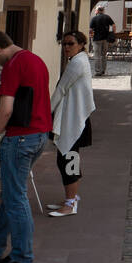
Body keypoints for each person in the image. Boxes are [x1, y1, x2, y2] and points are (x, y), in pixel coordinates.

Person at [0, 30, 52, 263]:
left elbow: (5, 110)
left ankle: (22, 254)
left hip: (20, 138)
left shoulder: (12, 66)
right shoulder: (35, 59)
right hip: (39, 134)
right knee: (11, 195)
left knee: (15, 198)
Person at [48, 30, 95, 216]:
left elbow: (60, 89)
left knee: (68, 160)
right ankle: (71, 197)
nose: (66, 47)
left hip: (74, 121)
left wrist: (46, 113)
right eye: (64, 44)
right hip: (74, 118)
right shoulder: (79, 60)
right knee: (68, 158)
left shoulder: (77, 63)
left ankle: (70, 203)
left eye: (71, 44)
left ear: (81, 45)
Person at [89, 3, 114, 77]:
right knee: (103, 55)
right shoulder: (107, 17)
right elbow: (113, 25)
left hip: (96, 39)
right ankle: (103, 70)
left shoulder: (94, 18)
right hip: (105, 39)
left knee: (97, 56)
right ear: (103, 11)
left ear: (97, 11)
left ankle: (98, 71)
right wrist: (112, 33)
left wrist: (91, 35)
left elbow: (90, 29)